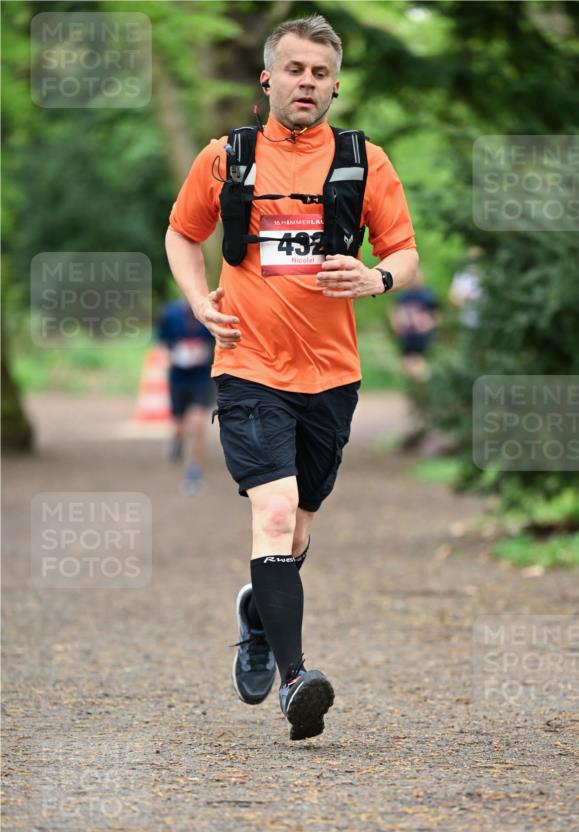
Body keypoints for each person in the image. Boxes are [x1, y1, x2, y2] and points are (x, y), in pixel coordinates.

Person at [165, 15, 418, 740]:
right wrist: (198, 302)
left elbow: (404, 253)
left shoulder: (365, 162)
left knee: (297, 532)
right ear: (268, 77)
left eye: (319, 73)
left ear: (334, 85)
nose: (306, 82)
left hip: (331, 375)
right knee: (273, 515)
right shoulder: (226, 158)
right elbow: (182, 233)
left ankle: (257, 614)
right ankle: (296, 680)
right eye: (294, 69)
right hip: (248, 366)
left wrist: (375, 278)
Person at [156, 298, 215, 493]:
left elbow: (219, 341)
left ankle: (194, 472)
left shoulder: (210, 313)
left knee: (198, 423)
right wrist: (171, 357)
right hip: (178, 378)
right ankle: (177, 440)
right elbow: (161, 342)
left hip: (202, 378)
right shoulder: (170, 314)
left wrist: (207, 353)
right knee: (179, 426)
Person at [388, 268, 440, 381]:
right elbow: (394, 310)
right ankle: (410, 381)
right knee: (407, 359)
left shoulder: (429, 295)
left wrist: (429, 325)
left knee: (419, 359)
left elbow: (436, 315)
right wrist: (396, 325)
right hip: (406, 333)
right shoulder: (403, 294)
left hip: (422, 334)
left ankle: (417, 382)